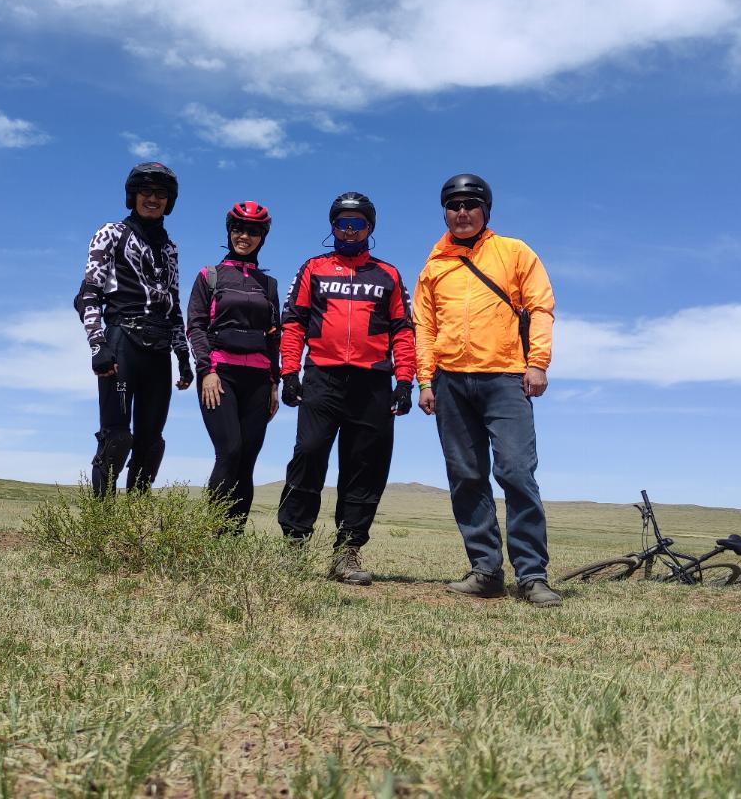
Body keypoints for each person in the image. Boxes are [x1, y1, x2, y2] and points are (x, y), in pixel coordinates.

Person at [413, 173, 561, 607]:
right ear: (444, 212)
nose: (462, 212)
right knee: (466, 476)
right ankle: (485, 571)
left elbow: (540, 307)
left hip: (505, 377)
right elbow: (425, 327)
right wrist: (425, 380)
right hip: (450, 381)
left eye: (470, 204)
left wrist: (538, 362)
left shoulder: (514, 252)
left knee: (516, 471)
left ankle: (532, 575)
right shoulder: (434, 266)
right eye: (453, 205)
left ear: (485, 210)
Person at [276, 191, 416, 585]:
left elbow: (403, 331)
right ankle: (294, 547)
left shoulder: (388, 275)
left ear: (370, 228)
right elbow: (294, 323)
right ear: (333, 226)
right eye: (343, 223)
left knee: (365, 467)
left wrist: (405, 380)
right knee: (308, 455)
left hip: (373, 382)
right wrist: (289, 373)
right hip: (322, 377)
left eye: (358, 224)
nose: (350, 231)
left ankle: (347, 553)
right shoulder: (313, 268)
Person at [77, 162, 193, 496]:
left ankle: (136, 520)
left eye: (160, 194)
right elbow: (88, 293)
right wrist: (98, 345)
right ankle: (101, 518)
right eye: (145, 191)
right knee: (116, 438)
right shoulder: (110, 233)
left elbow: (172, 304)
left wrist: (183, 356)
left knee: (151, 442)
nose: (152, 199)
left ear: (169, 201)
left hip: (159, 351)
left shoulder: (170, 249)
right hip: (122, 341)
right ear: (133, 195)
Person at [186, 201, 282, 530]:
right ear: (229, 231)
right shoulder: (209, 276)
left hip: (258, 379)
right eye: (239, 229)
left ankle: (233, 537)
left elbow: (274, 336)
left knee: (248, 458)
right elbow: (195, 326)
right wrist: (206, 371)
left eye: (253, 231)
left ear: (262, 237)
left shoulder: (268, 285)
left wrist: (274, 383)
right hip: (220, 373)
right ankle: (213, 532)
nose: (245, 236)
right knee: (229, 450)